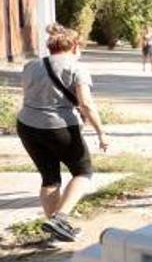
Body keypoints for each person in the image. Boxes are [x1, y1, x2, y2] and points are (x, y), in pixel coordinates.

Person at [16, 24, 109, 242]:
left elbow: (28, 94)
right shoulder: (77, 68)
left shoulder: (30, 65)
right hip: (59, 127)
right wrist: (101, 132)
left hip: (27, 125)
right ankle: (60, 218)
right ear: (75, 45)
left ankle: (53, 234)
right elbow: (85, 103)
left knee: (49, 178)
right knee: (83, 172)